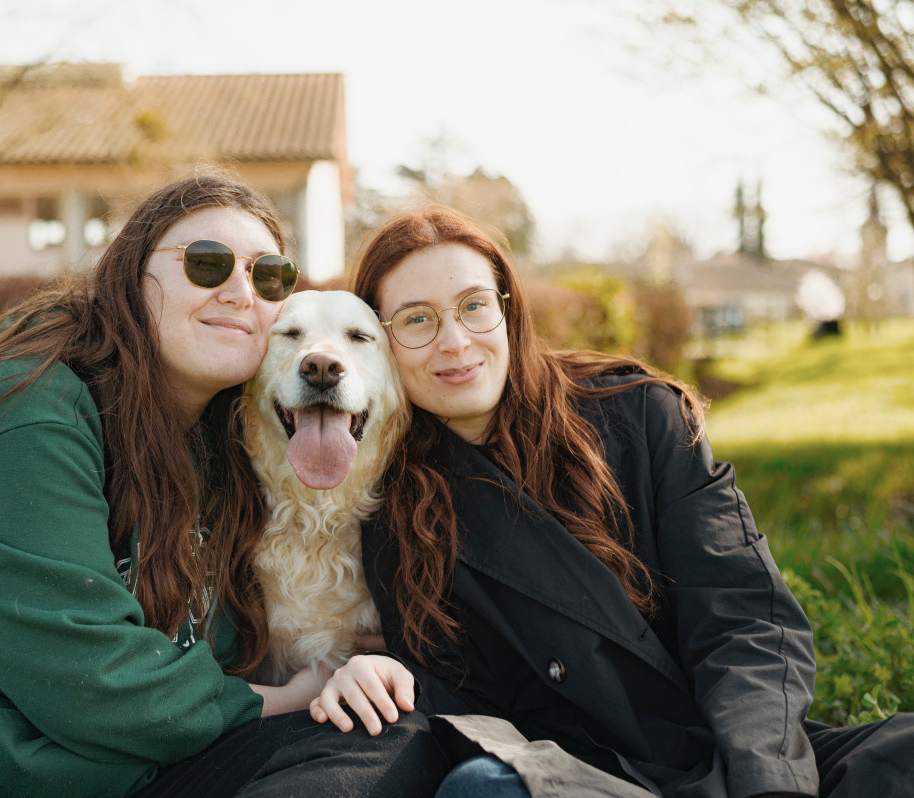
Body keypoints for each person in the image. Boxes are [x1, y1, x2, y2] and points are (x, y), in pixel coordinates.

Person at [0, 175, 447, 798]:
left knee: (388, 741)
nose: (237, 290)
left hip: (128, 772)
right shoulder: (24, 403)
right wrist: (294, 695)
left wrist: (352, 668)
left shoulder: (232, 444)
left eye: (267, 276)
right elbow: (94, 682)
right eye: (206, 263)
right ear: (134, 274)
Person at [315, 204, 914, 798]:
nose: (455, 341)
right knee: (484, 789)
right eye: (417, 320)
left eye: (474, 306)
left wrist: (769, 783)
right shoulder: (389, 504)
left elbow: (742, 614)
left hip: (735, 751)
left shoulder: (642, 416)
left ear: (508, 311)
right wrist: (395, 678)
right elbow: (465, 704)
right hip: (585, 777)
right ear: (380, 343)